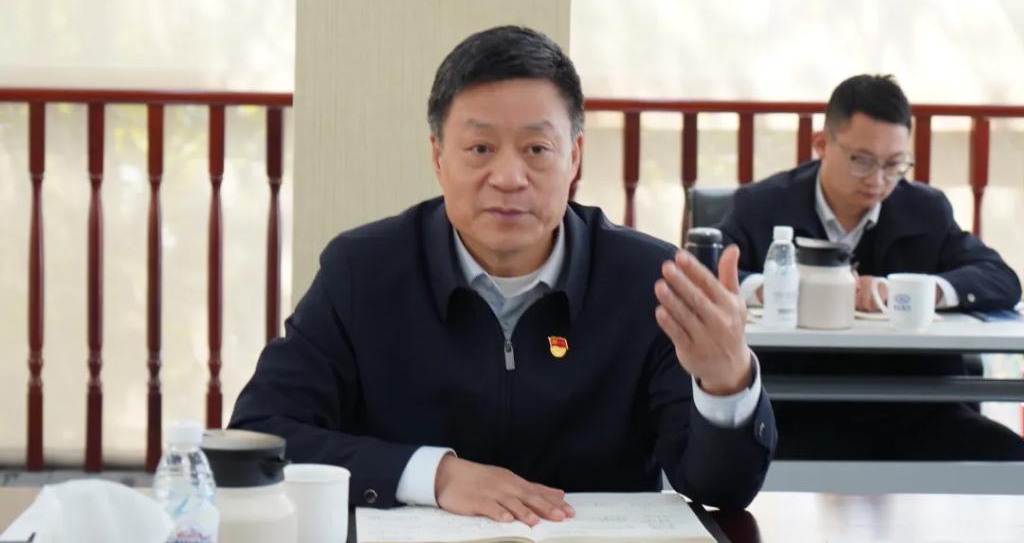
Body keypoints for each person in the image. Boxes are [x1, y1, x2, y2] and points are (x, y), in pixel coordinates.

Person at [230, 25, 776, 522]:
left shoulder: (648, 284)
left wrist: (725, 381)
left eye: (537, 148)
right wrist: (435, 476)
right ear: (438, 157)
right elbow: (262, 435)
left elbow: (722, 489)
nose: (509, 176)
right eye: (480, 148)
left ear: (574, 157)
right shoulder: (363, 272)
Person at [718, 74, 1024, 460]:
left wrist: (919, 292)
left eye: (894, 164)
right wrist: (768, 289)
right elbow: (705, 272)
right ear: (821, 144)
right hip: (790, 405)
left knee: (1010, 459)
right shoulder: (761, 205)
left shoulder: (924, 209)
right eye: (862, 161)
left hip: (914, 407)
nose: (878, 180)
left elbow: (1000, 278)